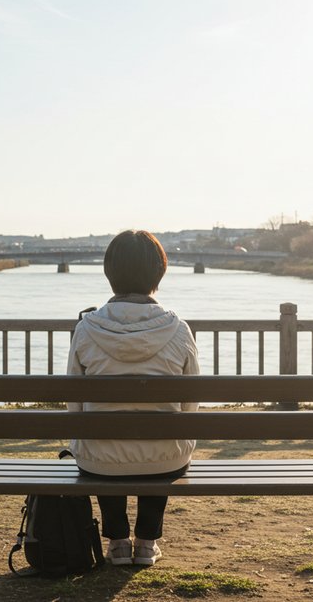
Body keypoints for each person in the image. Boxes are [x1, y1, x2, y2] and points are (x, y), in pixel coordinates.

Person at [66, 230, 199, 567]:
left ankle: (118, 543)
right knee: (166, 446)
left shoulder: (86, 328)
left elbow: (73, 401)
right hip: (165, 458)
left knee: (101, 446)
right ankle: (147, 542)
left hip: (99, 459)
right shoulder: (178, 329)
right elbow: (191, 402)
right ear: (159, 272)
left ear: (110, 273)